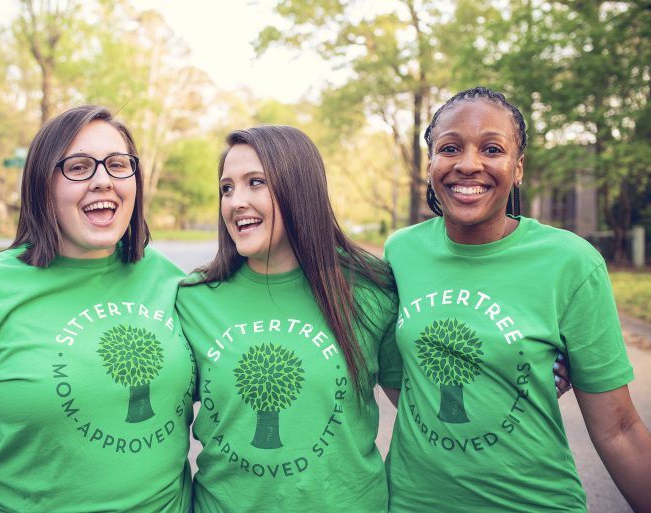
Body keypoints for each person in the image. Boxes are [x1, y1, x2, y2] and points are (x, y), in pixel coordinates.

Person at [0, 105, 195, 513]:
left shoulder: (169, 279)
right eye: (79, 167)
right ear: (41, 185)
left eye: (118, 165)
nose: (103, 180)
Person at [379, 86, 651, 512]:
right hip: (413, 502)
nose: (469, 165)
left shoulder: (571, 263)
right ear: (431, 164)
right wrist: (501, 385)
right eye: (450, 148)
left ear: (517, 167)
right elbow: (403, 382)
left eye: (492, 148)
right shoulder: (401, 252)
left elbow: (618, 429)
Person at [175, 125, 399, 512]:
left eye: (255, 182)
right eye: (226, 188)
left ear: (299, 189)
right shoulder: (194, 298)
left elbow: (417, 417)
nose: (235, 202)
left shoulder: (370, 289)